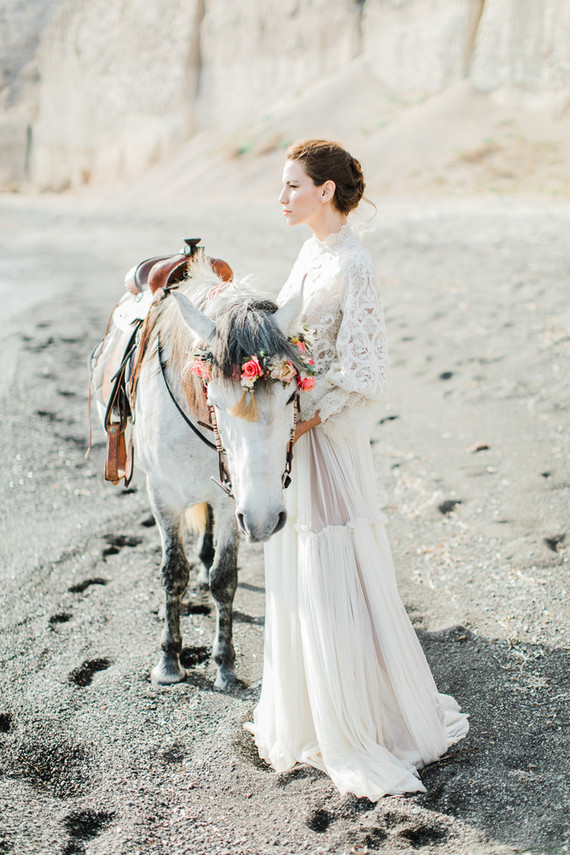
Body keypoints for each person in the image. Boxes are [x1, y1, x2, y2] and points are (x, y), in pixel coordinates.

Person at [245, 139, 469, 800]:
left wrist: (307, 415)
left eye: (292, 185)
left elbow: (366, 371)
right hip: (299, 428)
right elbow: (289, 336)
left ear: (326, 191)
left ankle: (357, 715)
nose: (281, 197)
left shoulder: (354, 263)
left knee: (333, 563)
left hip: (329, 439)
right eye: (282, 185)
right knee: (300, 564)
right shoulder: (311, 252)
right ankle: (309, 704)